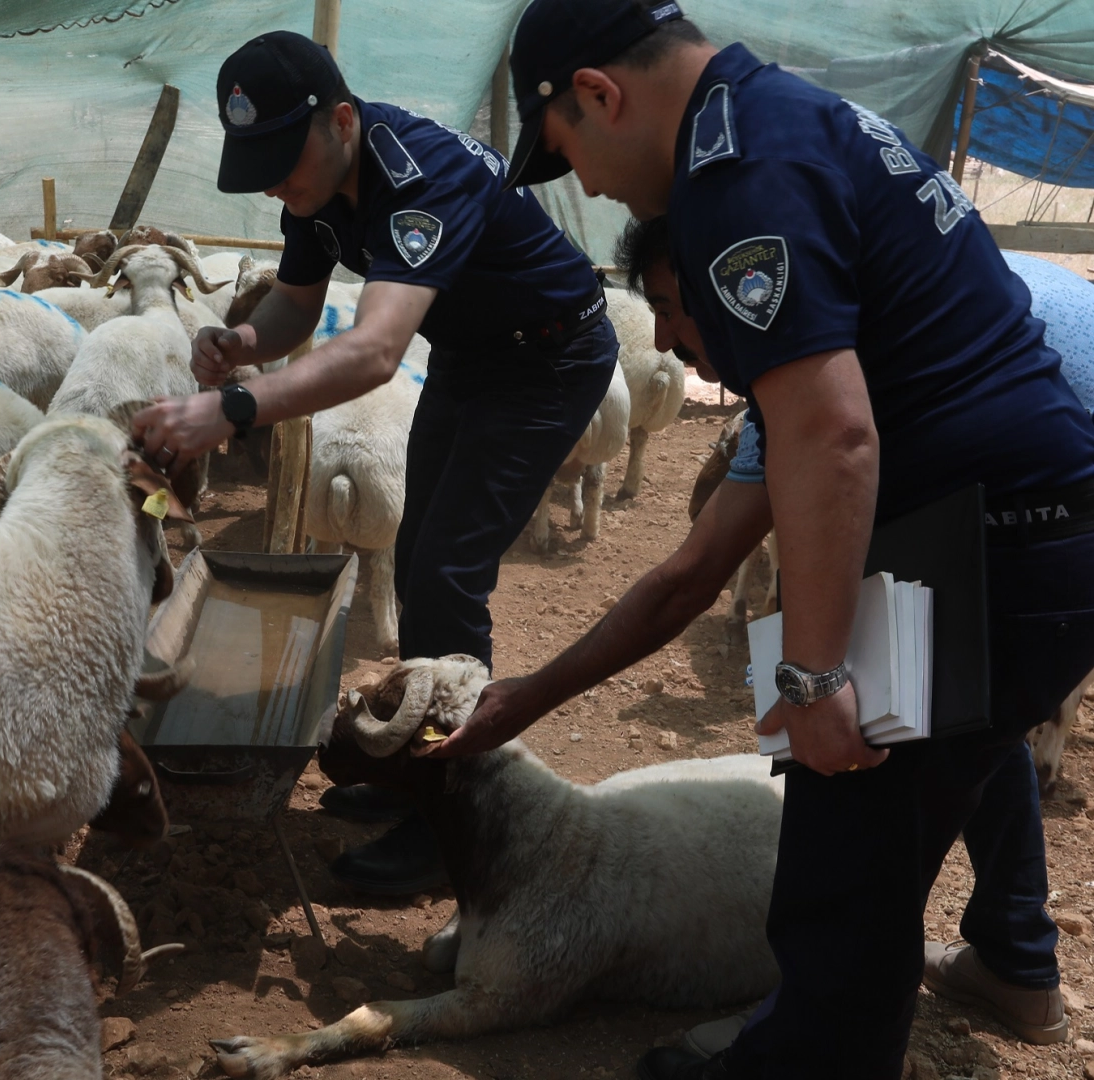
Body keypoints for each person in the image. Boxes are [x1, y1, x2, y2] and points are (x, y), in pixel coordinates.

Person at [428, 1, 1094, 1076]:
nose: (588, 187)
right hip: (1015, 541)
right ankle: (958, 983)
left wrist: (818, 669)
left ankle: (800, 1055)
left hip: (980, 548)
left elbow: (834, 436)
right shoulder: (781, 121)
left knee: (838, 863)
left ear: (598, 94)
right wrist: (526, 699)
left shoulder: (734, 178)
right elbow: (693, 571)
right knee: (871, 853)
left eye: (566, 156)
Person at [130, 31, 620, 894]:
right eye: (261, 164)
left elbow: (372, 353)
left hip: (547, 360)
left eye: (284, 159)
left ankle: (451, 809)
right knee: (416, 551)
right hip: (471, 359)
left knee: (445, 572)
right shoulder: (314, 191)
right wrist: (240, 341)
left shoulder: (419, 180)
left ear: (342, 121)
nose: (278, 182)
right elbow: (293, 305)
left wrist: (232, 408)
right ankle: (418, 773)